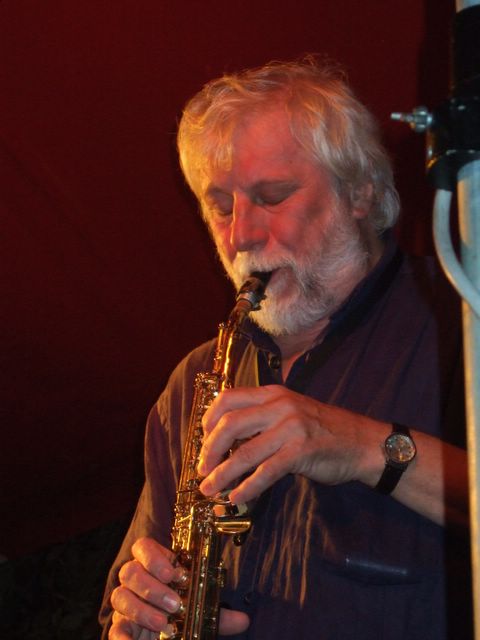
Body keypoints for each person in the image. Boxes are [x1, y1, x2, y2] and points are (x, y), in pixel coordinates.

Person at [100, 57, 472, 640]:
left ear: (360, 191)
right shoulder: (194, 380)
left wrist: (362, 445)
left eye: (272, 196)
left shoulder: (464, 321)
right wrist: (134, 620)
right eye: (221, 206)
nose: (240, 235)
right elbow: (124, 607)